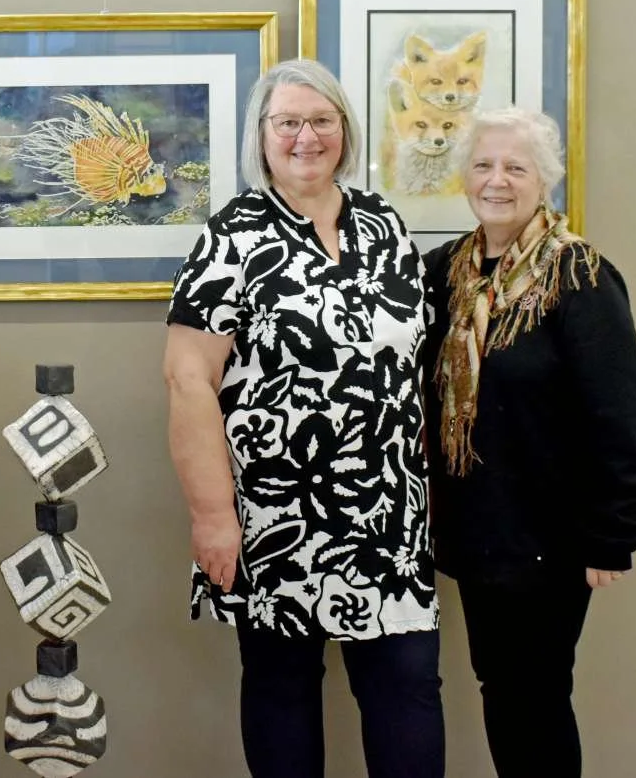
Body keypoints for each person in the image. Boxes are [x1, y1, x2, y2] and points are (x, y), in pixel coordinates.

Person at [163, 59, 444, 778]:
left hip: (389, 512)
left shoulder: (384, 224)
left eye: (322, 121)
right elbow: (188, 380)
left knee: (408, 687)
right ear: (261, 135)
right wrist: (211, 515)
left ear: (344, 131)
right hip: (275, 513)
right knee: (282, 689)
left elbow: (412, 363)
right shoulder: (232, 235)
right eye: (288, 122)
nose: (306, 137)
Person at [422, 106, 636, 778]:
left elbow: (618, 412)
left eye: (515, 168)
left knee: (536, 694)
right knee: (501, 687)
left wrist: (613, 535)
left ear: (543, 179)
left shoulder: (579, 275)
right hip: (476, 530)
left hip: (551, 538)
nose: (496, 180)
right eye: (483, 165)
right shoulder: (445, 272)